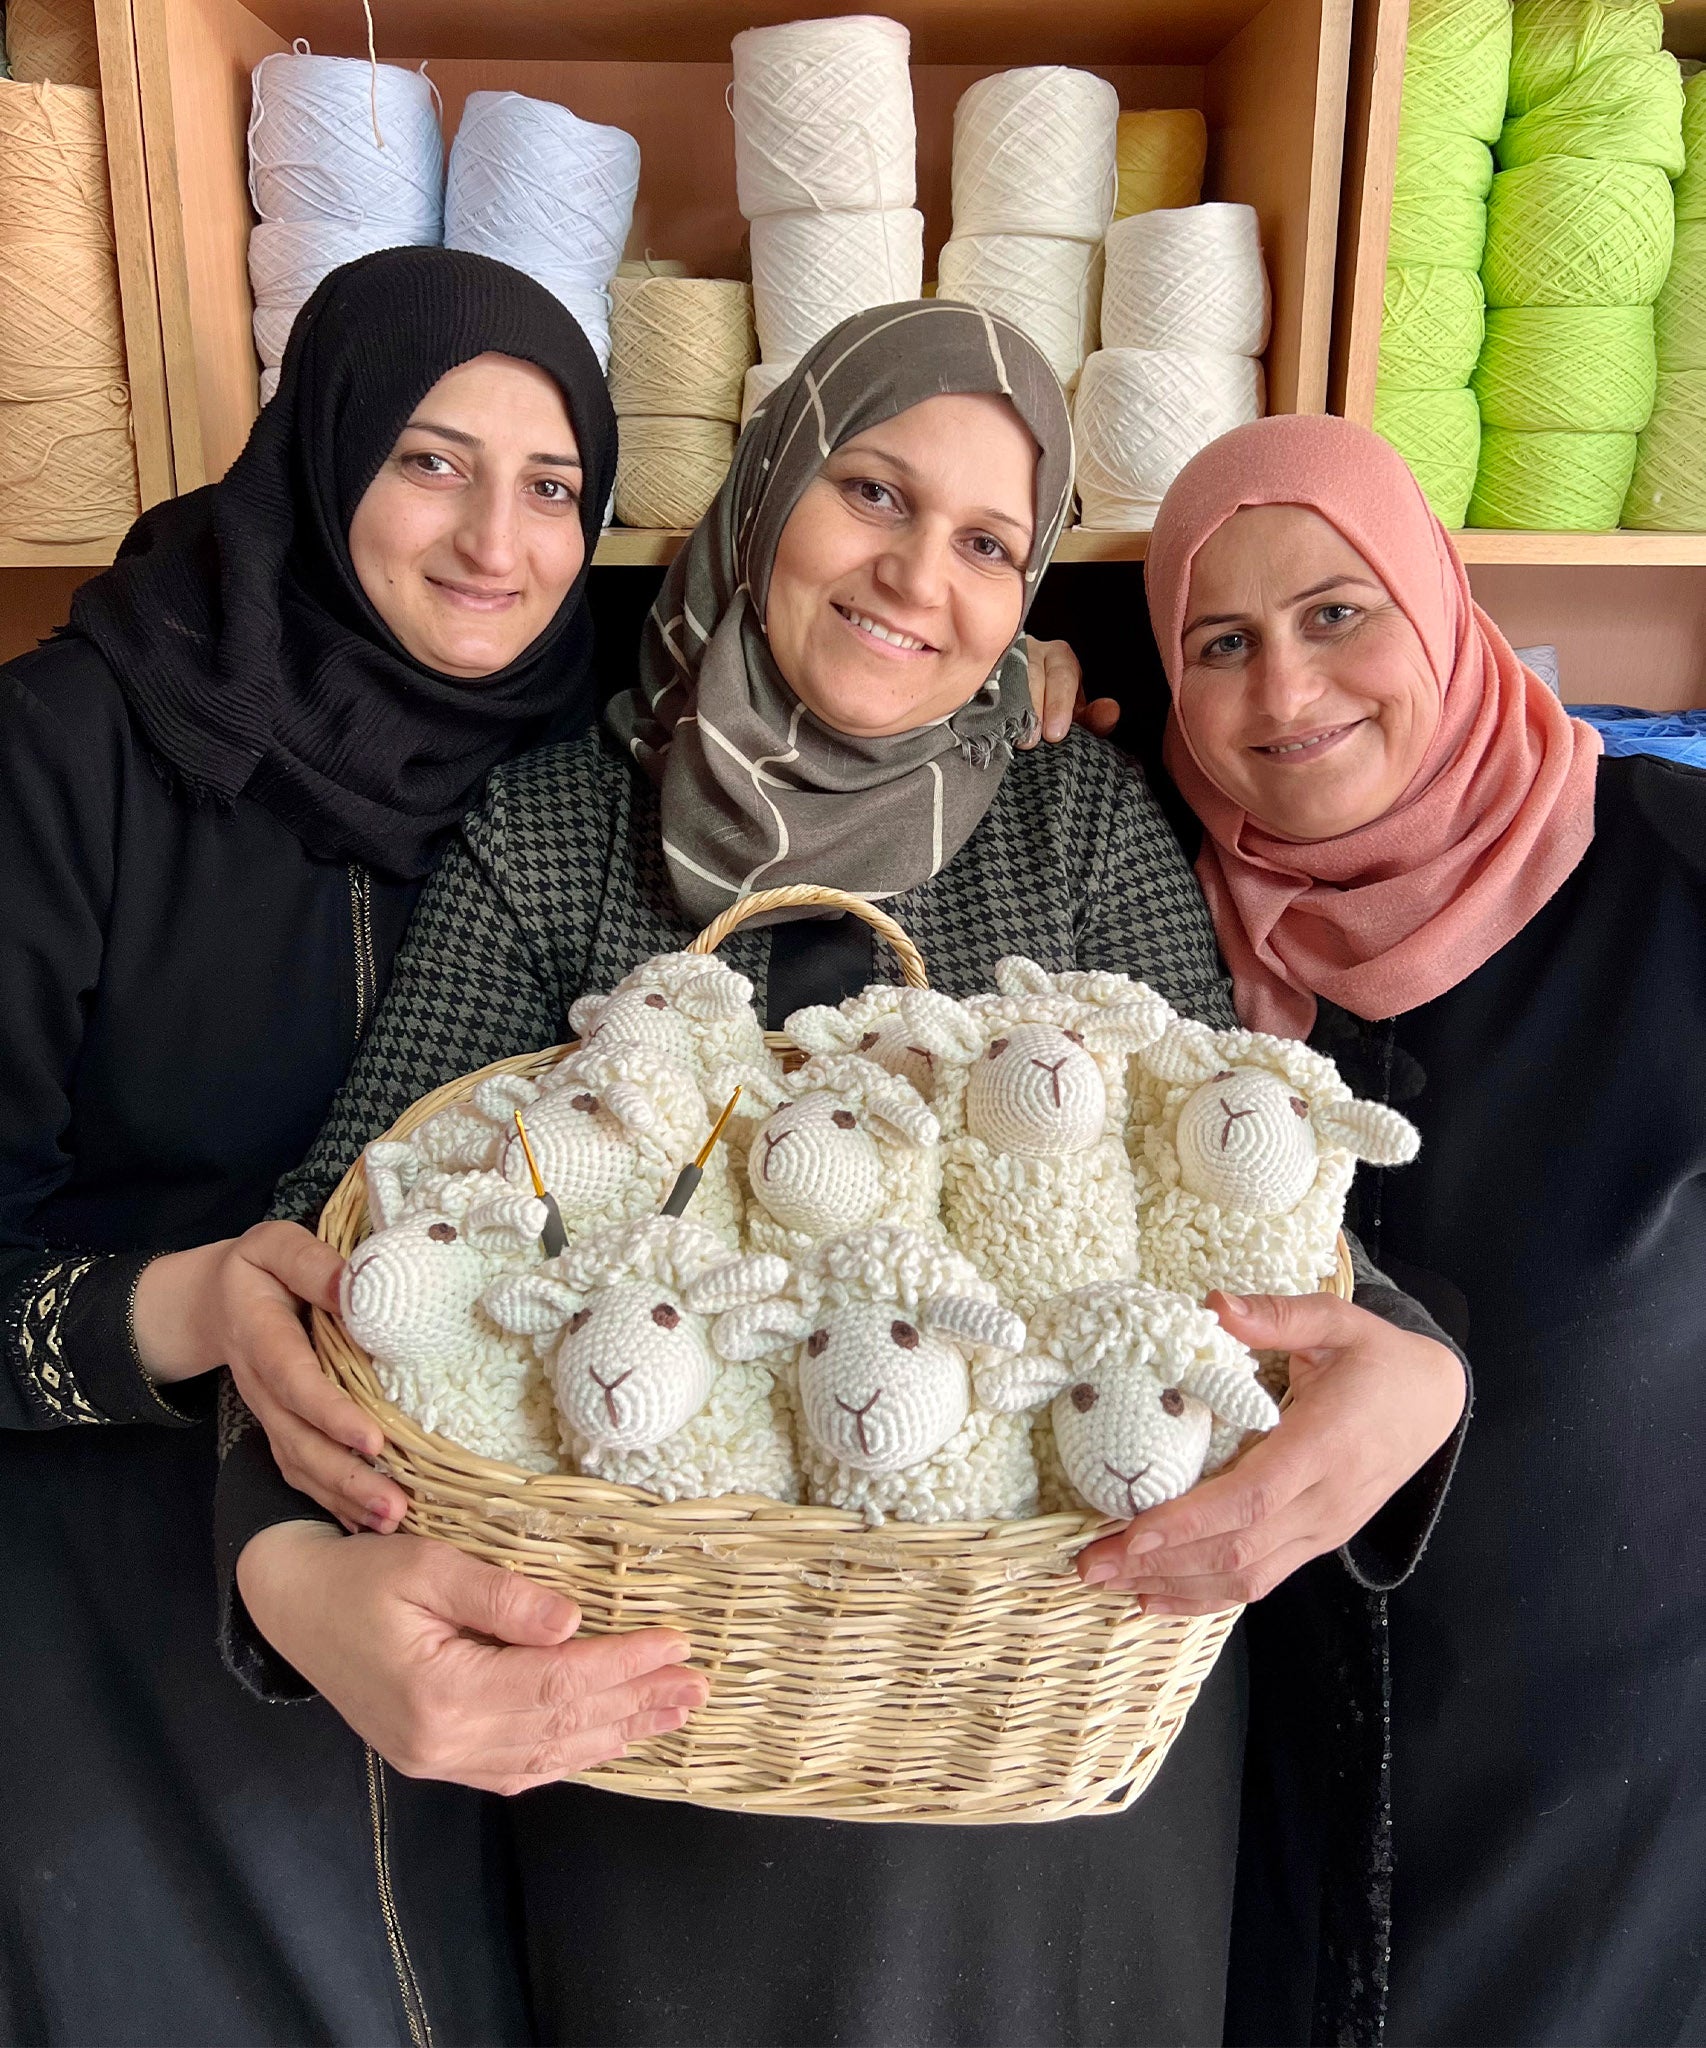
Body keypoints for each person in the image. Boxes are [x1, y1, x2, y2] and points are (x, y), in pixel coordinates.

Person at [200, 304, 1466, 2048]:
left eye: (985, 546)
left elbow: (1226, 1161)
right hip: (670, 1748)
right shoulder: (560, 824)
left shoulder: (1073, 822)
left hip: (1045, 1750)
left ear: (1026, 596)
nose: (912, 578)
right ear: (768, 489)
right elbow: (355, 1239)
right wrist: (280, 1558)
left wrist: (1402, 1358)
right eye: (870, 491)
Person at [0, 244, 628, 2046]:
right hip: (120, 1624)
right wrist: (183, 1307)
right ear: (321, 447)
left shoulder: (582, 766)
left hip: (500, 1614)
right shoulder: (72, 754)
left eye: (552, 486)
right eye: (430, 461)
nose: (492, 545)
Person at [1120, 412, 1704, 2046]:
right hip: (1257, 1853)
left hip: (1606, 1866)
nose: (1285, 696)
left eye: (1335, 613)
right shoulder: (1157, 948)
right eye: (1217, 644)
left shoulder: (1666, 889)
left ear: (1438, 606)